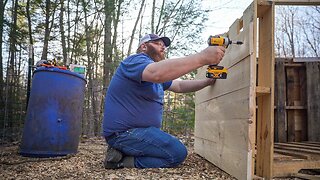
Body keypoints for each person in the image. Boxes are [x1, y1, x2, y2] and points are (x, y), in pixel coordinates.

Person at [102, 34, 225, 169]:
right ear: (144, 46)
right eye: (158, 43)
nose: (163, 47)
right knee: (176, 153)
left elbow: (179, 86)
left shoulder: (154, 72)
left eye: (164, 45)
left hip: (138, 132)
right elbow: (157, 73)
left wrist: (207, 82)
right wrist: (202, 57)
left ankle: (121, 152)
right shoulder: (135, 61)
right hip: (125, 133)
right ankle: (121, 162)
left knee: (172, 149)